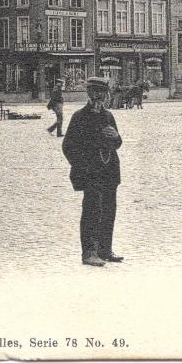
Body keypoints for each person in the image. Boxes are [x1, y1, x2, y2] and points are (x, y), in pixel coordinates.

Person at [61, 76, 124, 267]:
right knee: (91, 211)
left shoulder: (109, 116)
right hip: (90, 173)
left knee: (108, 211)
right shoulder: (79, 117)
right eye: (95, 93)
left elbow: (117, 143)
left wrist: (117, 137)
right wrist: (83, 168)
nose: (99, 97)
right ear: (89, 93)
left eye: (102, 93)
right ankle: (89, 252)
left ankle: (105, 250)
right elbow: (68, 147)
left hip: (109, 172)